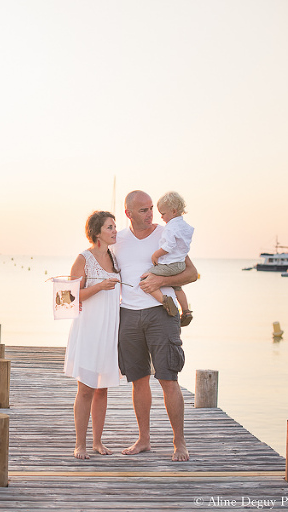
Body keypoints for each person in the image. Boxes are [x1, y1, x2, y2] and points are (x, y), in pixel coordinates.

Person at [110, 190, 198, 462]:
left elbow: (191, 273)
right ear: (128, 213)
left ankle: (179, 442)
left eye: (151, 208)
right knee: (138, 380)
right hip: (128, 315)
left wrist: (161, 281)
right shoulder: (117, 241)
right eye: (143, 210)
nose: (150, 214)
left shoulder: (166, 232)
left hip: (162, 314)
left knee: (168, 379)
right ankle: (144, 439)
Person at [64, 211, 121, 459]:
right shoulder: (83, 258)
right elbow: (70, 297)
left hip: (109, 329)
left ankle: (98, 442)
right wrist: (99, 287)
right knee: (86, 388)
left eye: (115, 226)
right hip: (89, 328)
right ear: (97, 232)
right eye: (110, 227)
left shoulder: (115, 257)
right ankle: (80, 444)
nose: (115, 231)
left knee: (102, 389)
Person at [144, 191, 195, 327]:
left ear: (173, 211)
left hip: (170, 265)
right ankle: (186, 311)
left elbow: (169, 246)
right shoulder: (185, 226)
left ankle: (166, 302)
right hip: (181, 264)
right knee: (177, 287)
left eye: (163, 213)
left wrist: (156, 255)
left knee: (146, 279)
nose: (161, 217)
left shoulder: (170, 228)